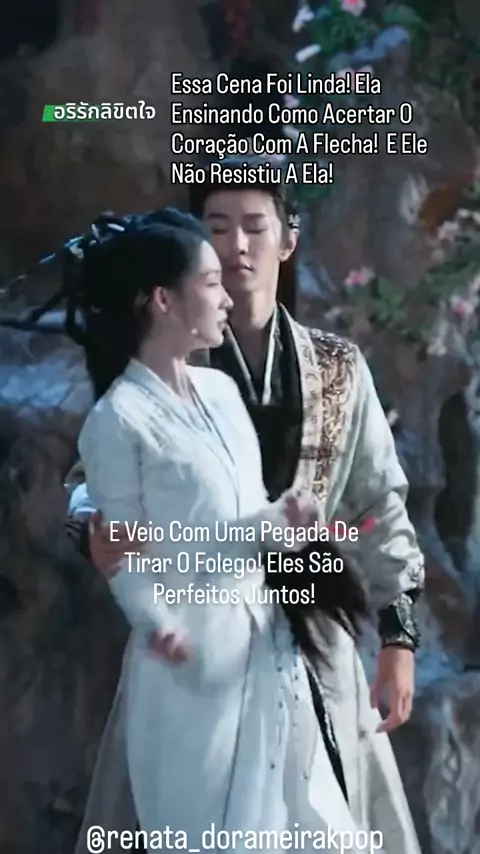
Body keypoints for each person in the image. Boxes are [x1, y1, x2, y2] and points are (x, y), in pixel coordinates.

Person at [66, 159, 424, 852]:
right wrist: (90, 526)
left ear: (288, 240)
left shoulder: (337, 367)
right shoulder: (168, 361)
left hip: (313, 639)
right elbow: (93, 483)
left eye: (255, 226)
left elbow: (380, 502)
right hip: (194, 637)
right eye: (217, 227)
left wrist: (398, 640)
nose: (236, 246)